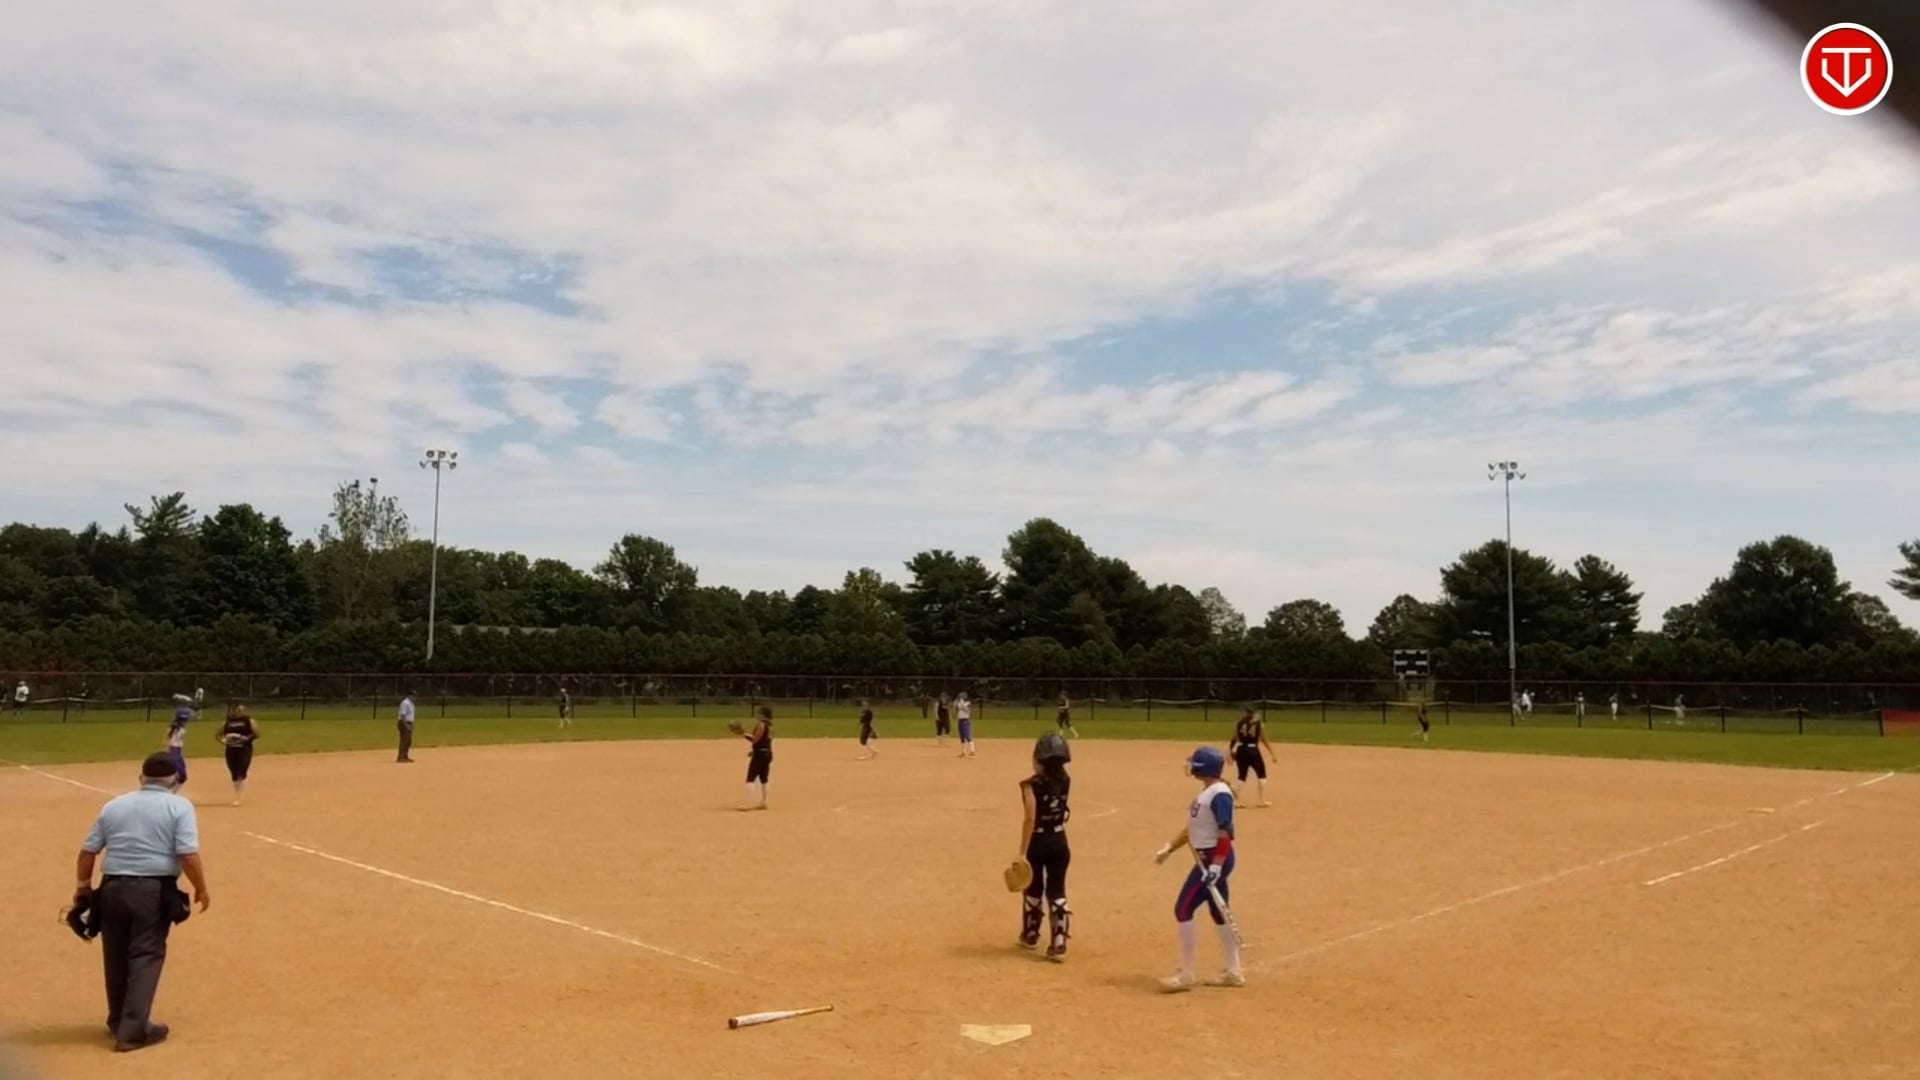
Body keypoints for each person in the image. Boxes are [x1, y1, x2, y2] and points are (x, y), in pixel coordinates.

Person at [73, 752, 211, 1052]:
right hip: (152, 890)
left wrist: (83, 887)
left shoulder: (114, 805)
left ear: (141, 778)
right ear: (175, 781)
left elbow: (88, 851)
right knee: (146, 954)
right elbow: (187, 855)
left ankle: (117, 1021)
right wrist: (201, 888)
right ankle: (133, 1031)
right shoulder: (179, 806)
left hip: (111, 888)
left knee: (115, 954)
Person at [1153, 747, 1242, 992]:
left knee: (1183, 908)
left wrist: (1216, 865)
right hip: (1208, 859)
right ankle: (1234, 971)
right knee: (1219, 911)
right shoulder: (1208, 792)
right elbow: (1193, 829)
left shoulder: (1220, 795)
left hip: (1213, 860)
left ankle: (1186, 973)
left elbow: (1225, 832)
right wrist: (1170, 847)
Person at [1016, 733, 1073, 961]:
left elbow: (1030, 819)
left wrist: (1022, 853)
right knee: (1057, 890)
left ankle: (1031, 934)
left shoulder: (1030, 785)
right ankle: (1059, 943)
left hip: (1038, 842)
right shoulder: (1065, 780)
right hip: (1059, 840)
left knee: (1033, 887)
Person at [1228, 706, 1276, 807]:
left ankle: (1233, 800)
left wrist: (1230, 751)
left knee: (1242, 776)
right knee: (1261, 774)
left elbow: (1234, 738)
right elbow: (1264, 739)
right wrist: (1272, 753)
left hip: (1241, 750)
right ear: (1254, 714)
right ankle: (1262, 801)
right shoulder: (1259, 724)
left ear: (1246, 713)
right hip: (1253, 750)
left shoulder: (1239, 723)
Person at [218, 705, 259, 806]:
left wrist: (246, 738)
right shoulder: (227, 722)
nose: (239, 712)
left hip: (244, 749)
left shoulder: (249, 721)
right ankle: (238, 793)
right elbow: (218, 734)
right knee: (234, 772)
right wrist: (223, 741)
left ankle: (240, 797)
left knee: (242, 768)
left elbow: (256, 733)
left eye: (241, 710)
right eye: (238, 710)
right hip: (231, 749)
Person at [739, 705, 773, 810]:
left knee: (750, 778)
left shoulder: (762, 725)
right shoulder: (770, 726)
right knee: (764, 779)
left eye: (759, 713)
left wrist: (743, 734)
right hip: (767, 753)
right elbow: (765, 742)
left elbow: (755, 739)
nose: (757, 714)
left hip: (760, 755)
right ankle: (764, 802)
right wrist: (754, 751)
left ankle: (747, 804)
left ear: (763, 715)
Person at [164, 707, 192, 789]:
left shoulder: (176, 726)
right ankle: (168, 792)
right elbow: (169, 737)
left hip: (176, 751)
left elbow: (168, 737)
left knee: (181, 776)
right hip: (175, 751)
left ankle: (170, 792)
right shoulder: (177, 727)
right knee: (181, 776)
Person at [396, 692, 416, 763]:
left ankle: (405, 756)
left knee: (408, 740)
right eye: (413, 696)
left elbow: (411, 715)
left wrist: (412, 724)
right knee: (404, 740)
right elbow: (403, 715)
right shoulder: (405, 703)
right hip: (403, 722)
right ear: (409, 695)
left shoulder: (412, 703)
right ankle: (400, 757)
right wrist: (406, 725)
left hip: (409, 723)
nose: (415, 698)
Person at [955, 692, 975, 758]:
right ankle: (963, 751)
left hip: (966, 720)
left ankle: (972, 750)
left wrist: (962, 704)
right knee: (962, 737)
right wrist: (957, 704)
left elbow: (967, 711)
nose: (961, 697)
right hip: (960, 720)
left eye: (962, 696)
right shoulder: (959, 703)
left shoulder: (968, 703)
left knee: (967, 735)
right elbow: (956, 709)